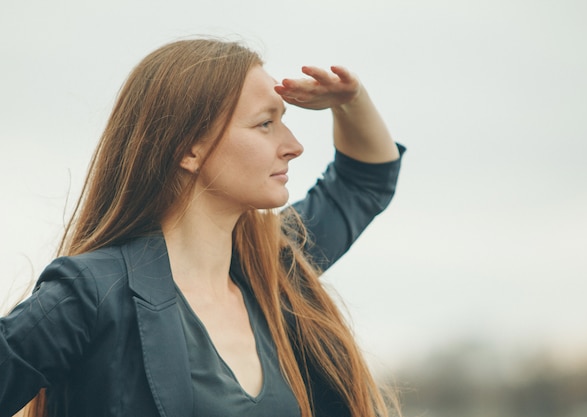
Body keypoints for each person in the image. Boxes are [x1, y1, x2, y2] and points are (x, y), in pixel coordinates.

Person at [0, 37, 405, 417]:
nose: (294, 145)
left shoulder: (276, 269)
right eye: (266, 123)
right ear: (189, 149)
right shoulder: (92, 292)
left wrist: (351, 101)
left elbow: (365, 180)